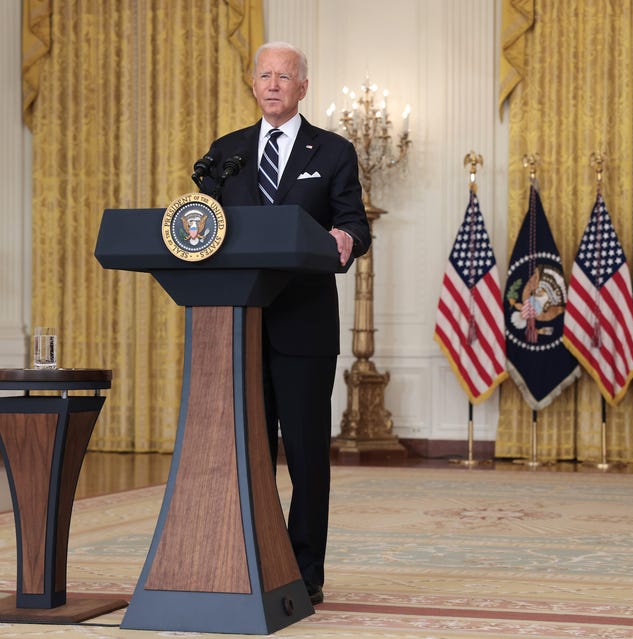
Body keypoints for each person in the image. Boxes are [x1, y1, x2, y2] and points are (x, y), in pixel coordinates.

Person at [198, 41, 371, 606]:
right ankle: (249, 557)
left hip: (304, 326)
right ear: (253, 84)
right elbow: (205, 229)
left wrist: (341, 240)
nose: (273, 85)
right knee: (245, 453)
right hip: (236, 327)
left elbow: (354, 227)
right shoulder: (226, 155)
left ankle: (302, 570)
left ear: (303, 87)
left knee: (303, 455)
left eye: (285, 77)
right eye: (265, 76)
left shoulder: (335, 151)